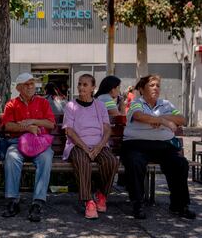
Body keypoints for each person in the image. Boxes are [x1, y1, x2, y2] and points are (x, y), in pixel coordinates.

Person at [121, 75, 195, 220]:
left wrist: (160, 119)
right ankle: (138, 204)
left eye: (158, 85)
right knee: (135, 162)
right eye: (151, 85)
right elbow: (138, 116)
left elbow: (181, 119)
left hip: (163, 146)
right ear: (142, 89)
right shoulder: (137, 103)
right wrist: (163, 120)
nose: (156, 88)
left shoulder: (166, 104)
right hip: (136, 145)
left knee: (180, 164)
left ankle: (179, 205)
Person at [1, 73, 55, 222]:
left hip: (39, 143)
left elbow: (51, 124)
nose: (31, 86)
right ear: (19, 88)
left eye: (32, 83)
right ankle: (13, 200)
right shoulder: (11, 104)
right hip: (17, 143)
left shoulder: (43, 103)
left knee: (46, 158)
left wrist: (33, 121)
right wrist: (26, 128)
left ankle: (37, 202)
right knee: (11, 157)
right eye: (26, 84)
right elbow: (7, 126)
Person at [63, 74, 118, 219]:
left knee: (111, 161)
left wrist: (99, 147)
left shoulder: (100, 105)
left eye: (85, 85)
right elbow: (69, 130)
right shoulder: (70, 106)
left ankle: (101, 194)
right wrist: (85, 147)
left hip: (98, 145)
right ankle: (88, 201)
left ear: (93, 88)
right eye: (79, 84)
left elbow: (107, 129)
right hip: (77, 145)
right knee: (82, 161)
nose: (81, 87)